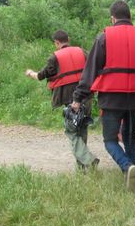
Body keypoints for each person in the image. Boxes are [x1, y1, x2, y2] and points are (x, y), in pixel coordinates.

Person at [71, 1, 135, 192]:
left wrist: (78, 98)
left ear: (112, 18)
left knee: (110, 140)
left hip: (111, 99)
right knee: (129, 139)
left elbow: (90, 71)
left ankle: (128, 168)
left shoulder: (104, 38)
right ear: (130, 17)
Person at [25, 30, 99, 172]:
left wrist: (30, 73)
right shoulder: (82, 52)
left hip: (70, 100)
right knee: (82, 129)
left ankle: (88, 160)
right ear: (68, 39)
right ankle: (82, 166)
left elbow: (41, 75)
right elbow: (93, 67)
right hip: (87, 96)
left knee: (71, 131)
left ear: (57, 43)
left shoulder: (55, 57)